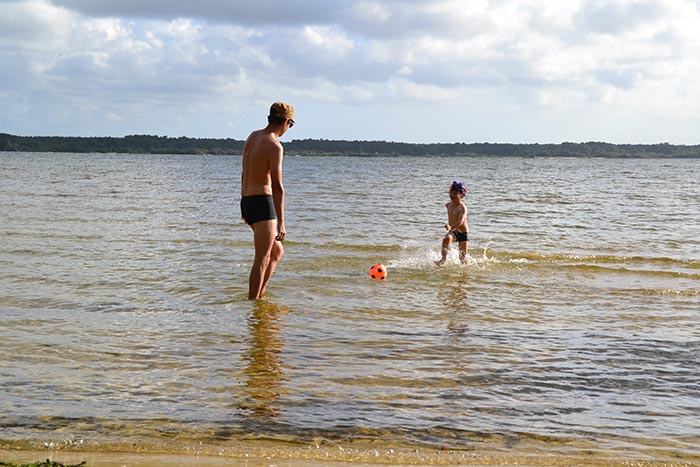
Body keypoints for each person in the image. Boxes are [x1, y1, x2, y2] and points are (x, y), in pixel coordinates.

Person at [240, 102, 295, 299]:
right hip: (263, 204)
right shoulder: (274, 146)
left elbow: (244, 172)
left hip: (247, 201)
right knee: (262, 259)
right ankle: (252, 303)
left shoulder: (253, 136)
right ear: (286, 122)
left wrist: (243, 205)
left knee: (276, 252)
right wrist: (282, 222)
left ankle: (260, 297)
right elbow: (278, 187)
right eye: (291, 124)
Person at [435, 180, 469, 266]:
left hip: (462, 233)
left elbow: (460, 221)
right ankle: (443, 259)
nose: (452, 195)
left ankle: (467, 268)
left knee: (462, 257)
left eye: (455, 194)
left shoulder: (462, 208)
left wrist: (451, 227)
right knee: (445, 240)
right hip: (453, 231)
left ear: (462, 195)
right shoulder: (448, 205)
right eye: (451, 193)